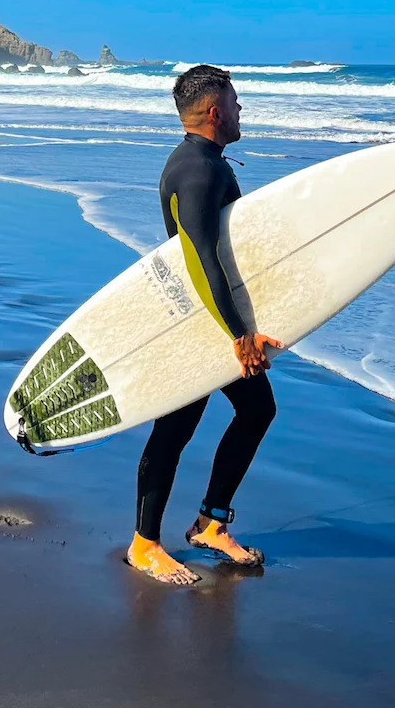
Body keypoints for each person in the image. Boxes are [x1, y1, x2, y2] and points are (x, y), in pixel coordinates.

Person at [126, 64, 282, 585]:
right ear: (215, 111)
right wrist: (239, 334)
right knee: (174, 430)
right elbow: (199, 258)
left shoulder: (204, 161)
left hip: (214, 316)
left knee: (257, 409)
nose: (242, 111)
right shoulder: (197, 169)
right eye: (236, 103)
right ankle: (144, 545)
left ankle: (211, 524)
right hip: (199, 321)